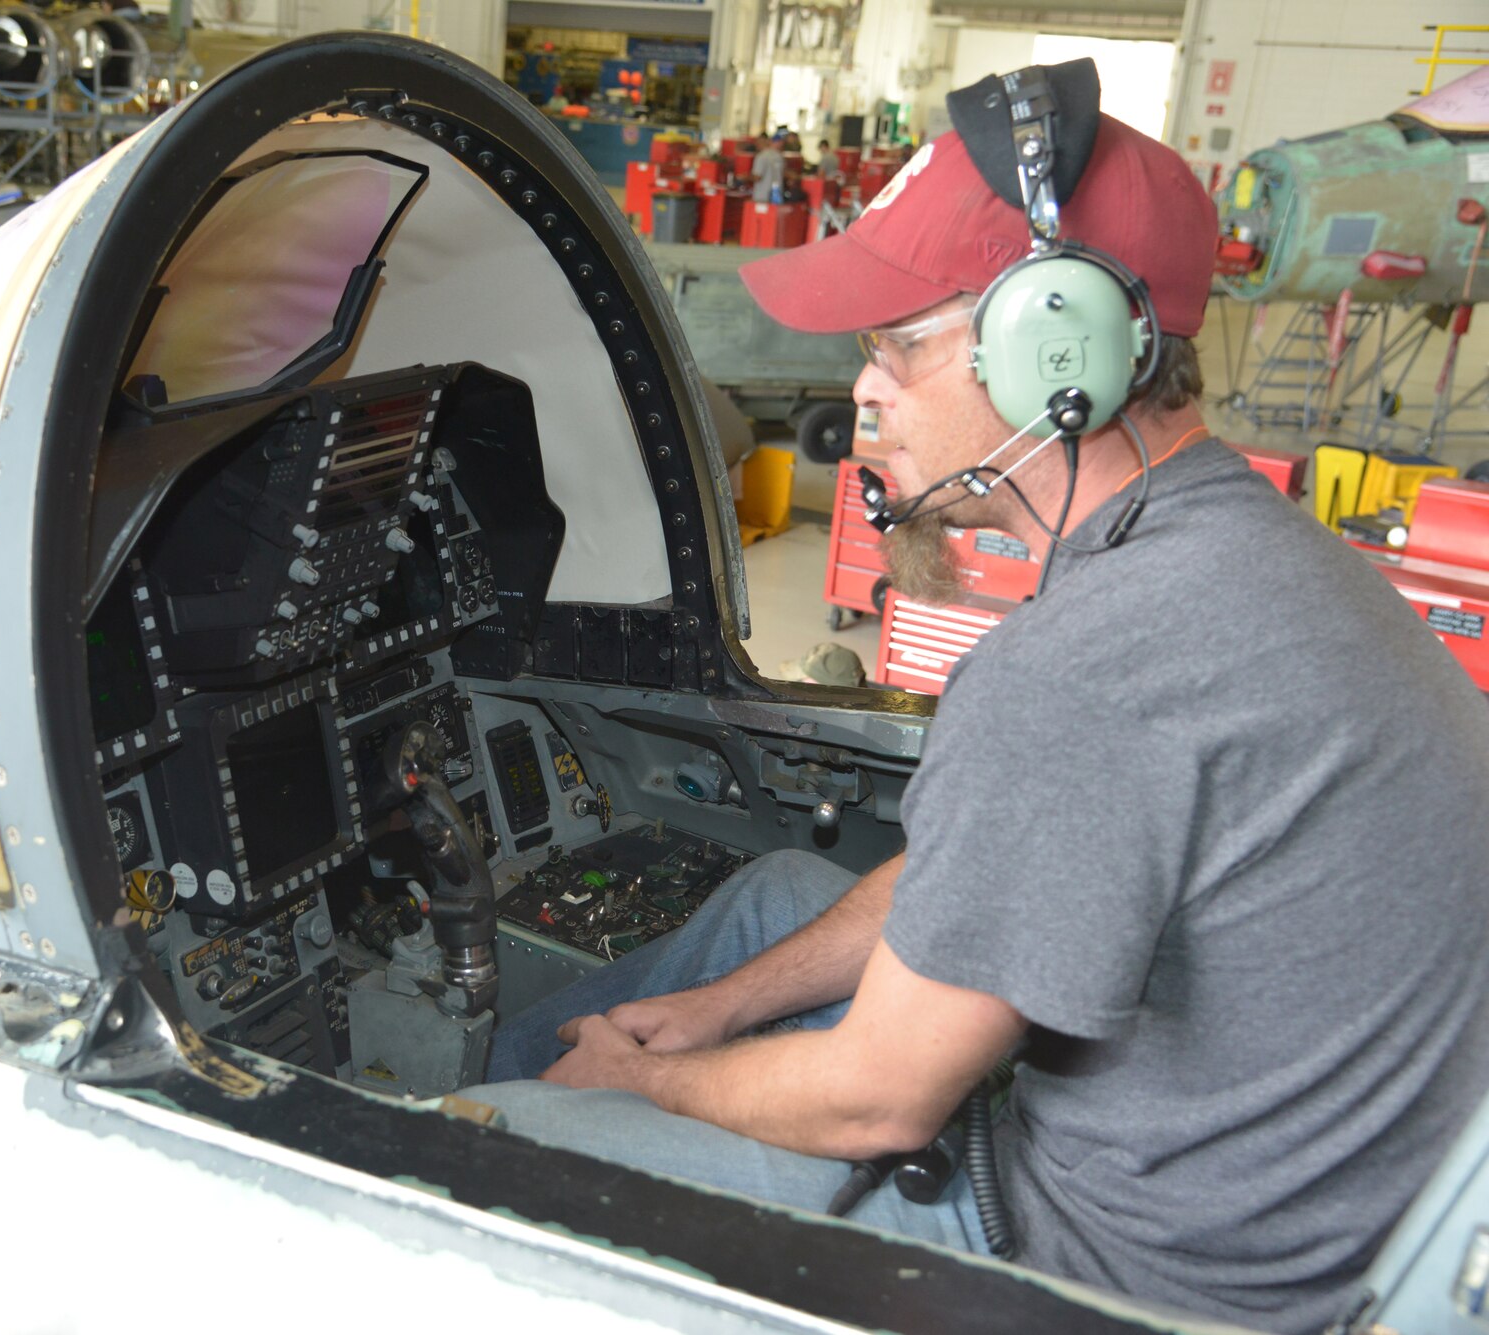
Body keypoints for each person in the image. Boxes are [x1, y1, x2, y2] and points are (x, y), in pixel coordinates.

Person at [471, 91, 1489, 1335]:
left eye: (895, 345)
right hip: (1282, 1193)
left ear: (1051, 350)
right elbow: (1000, 858)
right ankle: (563, 1057)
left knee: (473, 1152)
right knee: (776, 899)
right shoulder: (1248, 549)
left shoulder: (1090, 664)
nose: (861, 394)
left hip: (1122, 1273)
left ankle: (489, 1096)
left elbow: (875, 1103)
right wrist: (716, 1012)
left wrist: (648, 1085)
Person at [749, 133, 786, 204]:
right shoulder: (779, 156)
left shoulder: (761, 156)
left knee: (761, 215)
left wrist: (744, 177)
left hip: (762, 197)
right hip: (776, 197)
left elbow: (757, 177)